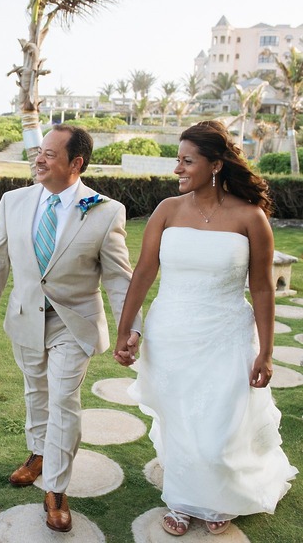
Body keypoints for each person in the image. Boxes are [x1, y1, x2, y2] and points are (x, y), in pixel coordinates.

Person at [114, 120, 297, 536]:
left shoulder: (251, 218)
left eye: (187, 161)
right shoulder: (167, 211)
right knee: (181, 423)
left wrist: (266, 351)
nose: (177, 169)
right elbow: (143, 273)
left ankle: (220, 495)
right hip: (171, 334)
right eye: (177, 160)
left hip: (227, 335)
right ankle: (182, 499)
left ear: (215, 165)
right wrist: (127, 329)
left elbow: (264, 289)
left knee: (218, 430)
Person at [0, 124, 141, 532]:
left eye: (50, 154)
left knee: (63, 399)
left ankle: (57, 488)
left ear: (76, 163)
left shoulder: (105, 211)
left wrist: (130, 327)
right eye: (39, 152)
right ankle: (38, 454)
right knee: (36, 390)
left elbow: (120, 278)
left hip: (75, 323)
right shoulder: (13, 202)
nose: (39, 159)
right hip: (26, 317)